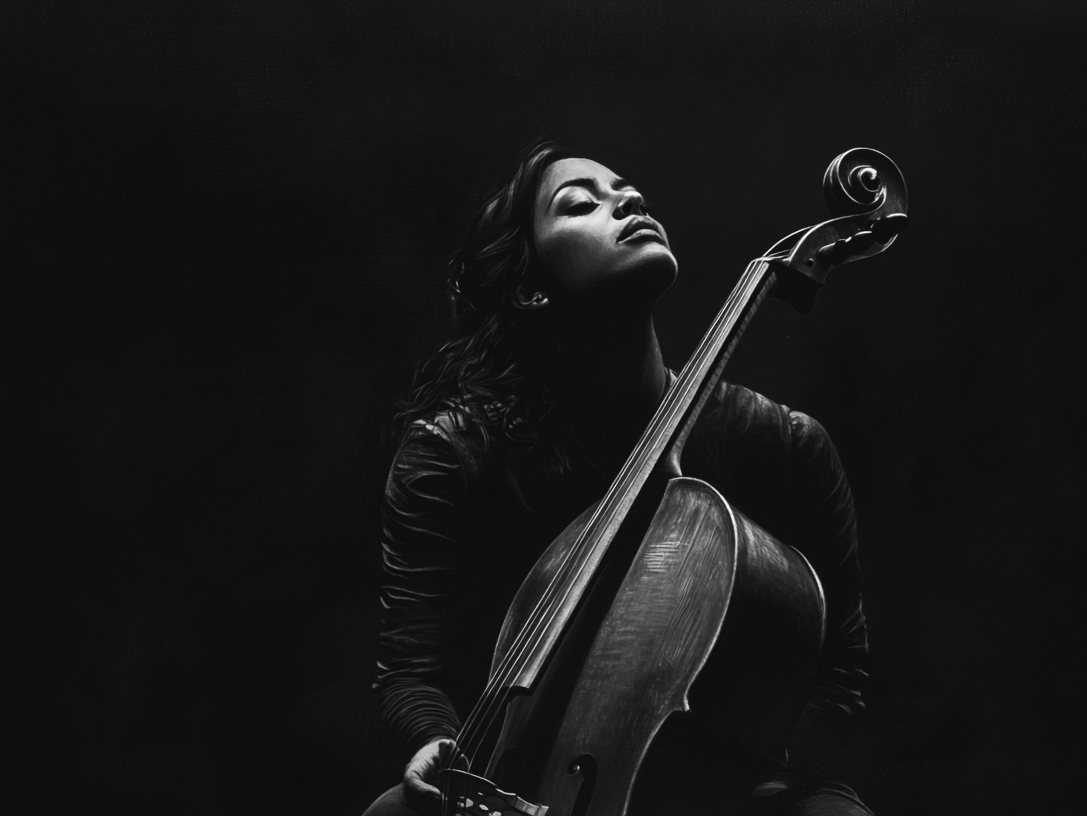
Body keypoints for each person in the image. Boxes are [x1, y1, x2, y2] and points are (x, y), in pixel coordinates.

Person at [360, 143, 872, 816]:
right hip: (521, 780)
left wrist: (755, 778)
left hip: (730, 785)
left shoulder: (781, 444)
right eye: (580, 204)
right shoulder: (454, 451)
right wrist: (434, 738)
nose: (626, 202)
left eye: (628, 192)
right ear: (529, 287)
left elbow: (842, 671)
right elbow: (410, 669)